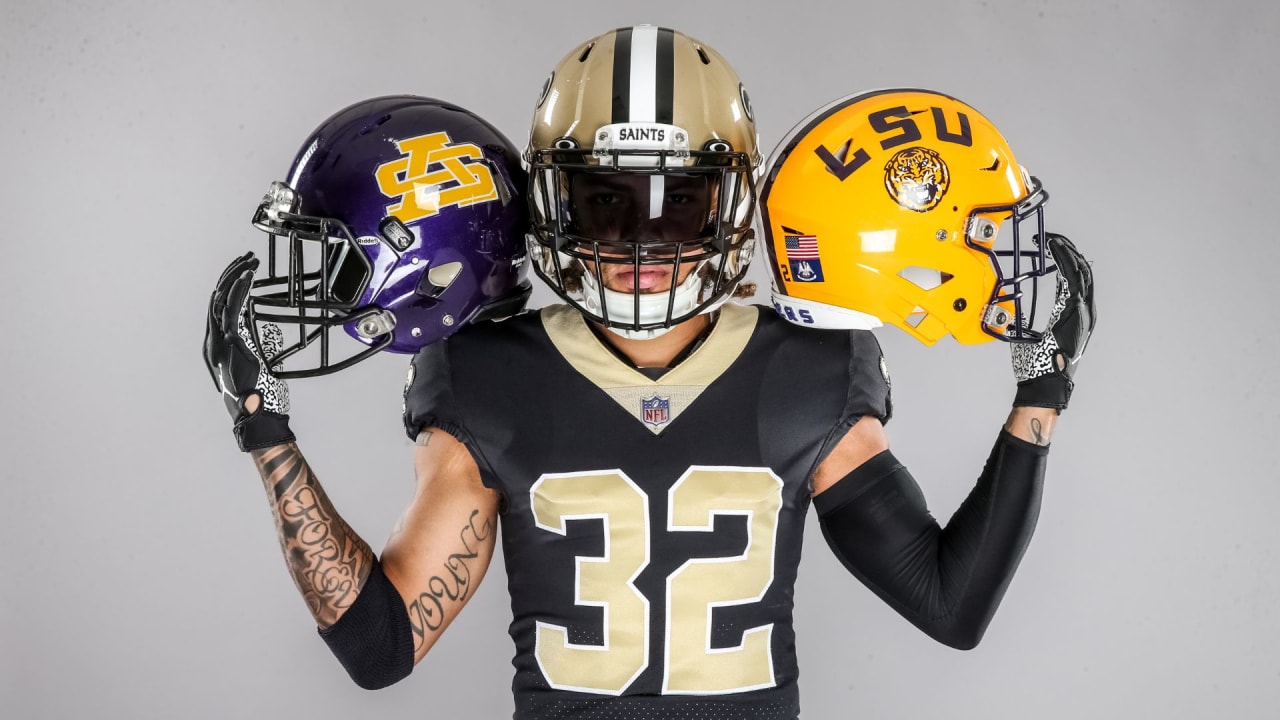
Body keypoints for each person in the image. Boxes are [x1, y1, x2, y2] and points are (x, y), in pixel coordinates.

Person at [204, 27, 1095, 720]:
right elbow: (381, 648)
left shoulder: (810, 365)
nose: (640, 242)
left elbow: (950, 605)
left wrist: (1040, 389)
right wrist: (265, 426)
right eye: (605, 200)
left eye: (680, 203)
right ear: (552, 201)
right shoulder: (486, 373)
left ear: (731, 203)